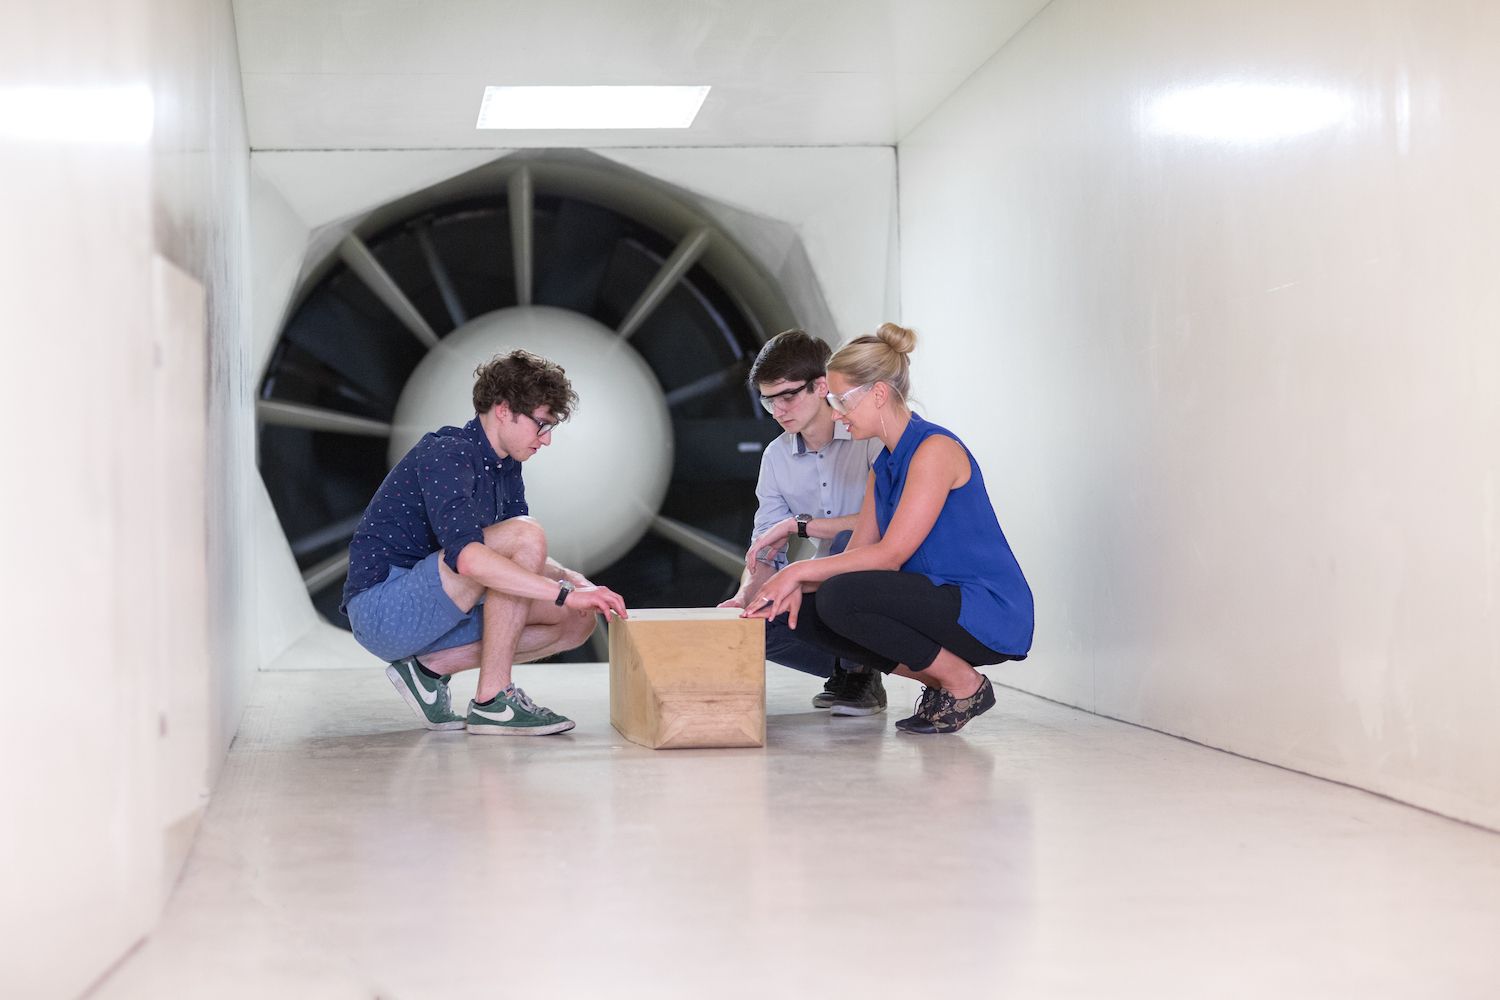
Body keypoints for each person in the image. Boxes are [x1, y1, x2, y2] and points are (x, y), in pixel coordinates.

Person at [746, 323, 1033, 734]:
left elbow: (889, 555)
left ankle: (964, 684)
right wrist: (782, 590)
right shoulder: (883, 466)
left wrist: (795, 571)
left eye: (841, 400)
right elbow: (855, 558)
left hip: (983, 607)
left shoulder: (935, 451)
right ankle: (938, 682)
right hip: (931, 598)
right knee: (797, 611)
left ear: (878, 393)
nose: (839, 413)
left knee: (842, 595)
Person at [340, 350, 628, 736]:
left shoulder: (506, 467)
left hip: (435, 607)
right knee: (527, 536)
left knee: (576, 622)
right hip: (383, 611)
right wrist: (561, 592)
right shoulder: (449, 452)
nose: (546, 440)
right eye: (541, 425)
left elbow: (521, 559)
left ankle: (428, 671)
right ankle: (493, 700)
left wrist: (579, 586)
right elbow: (472, 561)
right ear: (504, 409)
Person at [717, 330, 886, 714]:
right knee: (756, 623)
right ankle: (848, 669)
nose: (777, 410)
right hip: (816, 581)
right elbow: (766, 546)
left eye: (788, 396)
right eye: (768, 399)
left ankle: (862, 667)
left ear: (821, 386)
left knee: (844, 553)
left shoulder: (869, 438)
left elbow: (889, 525)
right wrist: (747, 597)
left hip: (874, 572)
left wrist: (803, 526)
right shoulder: (775, 457)